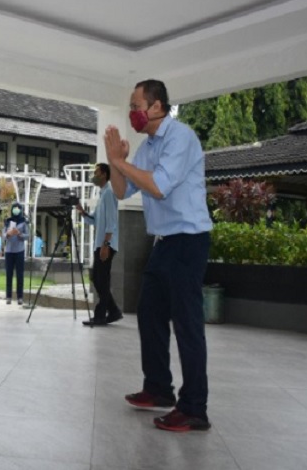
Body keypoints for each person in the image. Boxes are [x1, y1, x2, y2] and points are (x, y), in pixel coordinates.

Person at [106, 79, 212, 432]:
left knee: (186, 325)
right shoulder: (148, 146)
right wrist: (114, 163)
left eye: (136, 105)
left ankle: (195, 408)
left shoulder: (179, 137)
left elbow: (159, 186)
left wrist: (123, 162)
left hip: (188, 241)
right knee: (149, 316)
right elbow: (123, 192)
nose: (132, 112)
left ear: (156, 107)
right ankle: (158, 389)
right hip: (164, 243)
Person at [76, 163, 122, 326]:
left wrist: (105, 244)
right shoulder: (102, 194)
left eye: (96, 172)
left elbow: (111, 222)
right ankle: (113, 311)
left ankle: (101, 315)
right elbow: (94, 219)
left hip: (106, 244)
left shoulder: (109, 193)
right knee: (98, 279)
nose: (94, 176)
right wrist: (82, 212)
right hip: (101, 244)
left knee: (100, 279)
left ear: (103, 174)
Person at [4, 202, 29, 305]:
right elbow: (3, 235)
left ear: (21, 210)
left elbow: (28, 236)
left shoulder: (24, 222)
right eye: (14, 208)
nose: (16, 210)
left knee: (20, 274)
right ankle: (8, 296)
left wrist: (19, 234)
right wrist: (8, 234)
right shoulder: (8, 221)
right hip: (9, 251)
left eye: (18, 208)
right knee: (9, 274)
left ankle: (20, 297)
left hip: (19, 251)